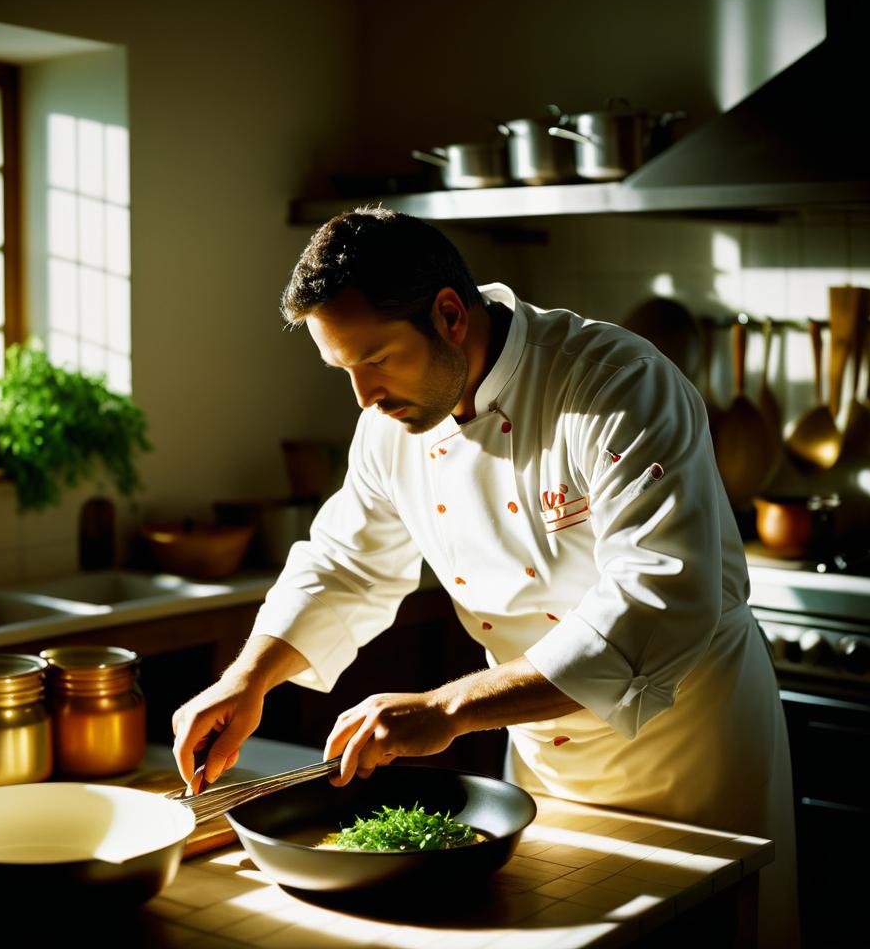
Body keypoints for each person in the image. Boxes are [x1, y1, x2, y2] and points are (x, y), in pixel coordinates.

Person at [172, 207, 798, 946]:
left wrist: (453, 707)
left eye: (375, 359)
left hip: (691, 765)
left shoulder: (615, 384)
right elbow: (344, 561)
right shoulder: (390, 426)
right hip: (544, 769)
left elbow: (659, 601)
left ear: (448, 315)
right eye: (343, 369)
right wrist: (248, 678)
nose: (362, 397)